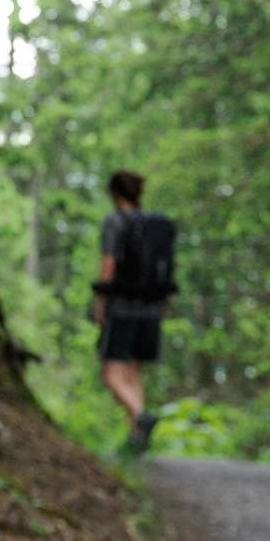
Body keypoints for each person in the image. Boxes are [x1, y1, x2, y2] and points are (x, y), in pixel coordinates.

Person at [93, 170, 172, 455]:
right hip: (151, 308)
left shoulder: (115, 221)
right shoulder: (155, 224)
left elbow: (109, 264)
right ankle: (137, 440)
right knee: (132, 373)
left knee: (112, 375)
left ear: (114, 193)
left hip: (123, 306)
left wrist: (100, 302)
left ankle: (140, 417)